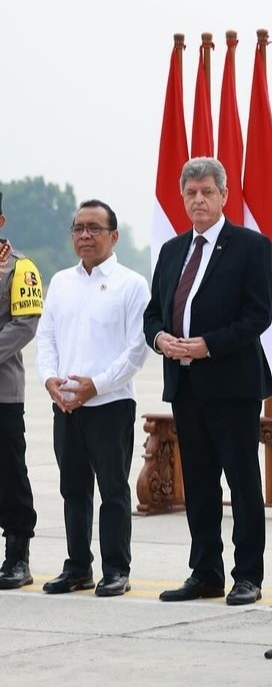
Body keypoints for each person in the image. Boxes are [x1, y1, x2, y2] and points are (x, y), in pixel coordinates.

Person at [143, 156, 272, 606]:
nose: (198, 200)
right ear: (183, 198)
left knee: (241, 482)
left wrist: (207, 345)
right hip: (185, 386)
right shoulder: (171, 250)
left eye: (207, 192)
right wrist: (160, 338)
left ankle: (248, 576)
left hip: (232, 384)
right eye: (191, 193)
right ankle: (204, 572)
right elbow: (153, 313)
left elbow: (258, 316)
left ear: (223, 197)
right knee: (198, 485)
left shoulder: (252, 246)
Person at [35, 199, 149, 598]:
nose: (85, 235)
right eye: (78, 228)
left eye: (94, 228)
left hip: (110, 404)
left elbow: (137, 349)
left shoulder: (131, 284)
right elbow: (46, 337)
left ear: (113, 236)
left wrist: (95, 385)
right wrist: (50, 379)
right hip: (65, 404)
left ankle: (116, 568)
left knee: (113, 490)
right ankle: (78, 566)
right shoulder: (62, 282)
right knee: (73, 488)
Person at [0, 191, 42, 591]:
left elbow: (24, 325)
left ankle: (17, 555)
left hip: (2, 393)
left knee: (9, 472)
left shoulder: (20, 268)